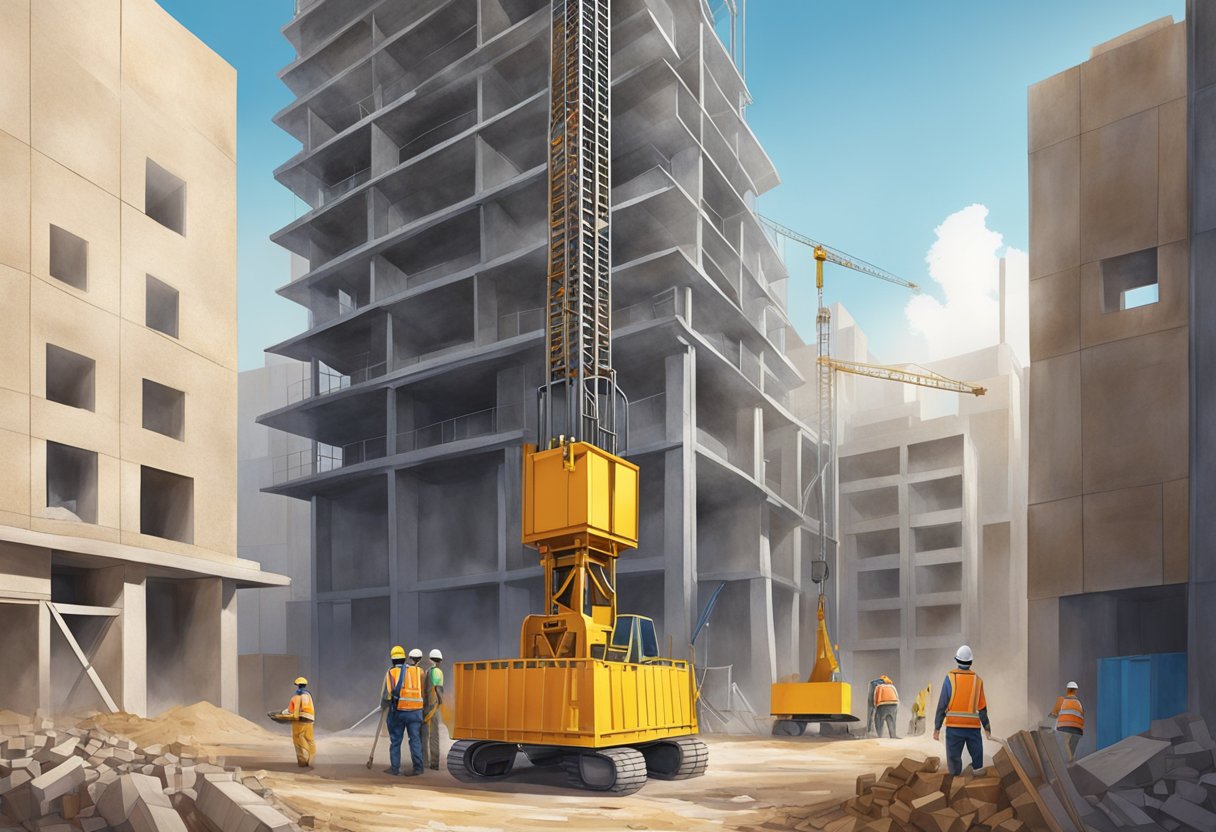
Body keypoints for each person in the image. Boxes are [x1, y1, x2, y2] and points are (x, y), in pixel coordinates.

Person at [933, 645, 991, 776]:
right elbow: (982, 709)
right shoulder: (978, 680)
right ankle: (977, 783)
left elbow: (942, 705)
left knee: (954, 764)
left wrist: (937, 727)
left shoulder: (950, 678)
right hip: (973, 728)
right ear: (971, 662)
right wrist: (987, 728)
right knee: (977, 762)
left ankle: (956, 782)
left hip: (954, 727)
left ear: (957, 660)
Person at [382, 646, 425, 776]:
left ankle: (395, 769)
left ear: (393, 659)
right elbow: (423, 690)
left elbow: (387, 695)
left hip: (399, 712)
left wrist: (384, 706)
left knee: (396, 741)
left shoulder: (391, 672)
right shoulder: (418, 671)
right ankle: (418, 768)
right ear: (405, 658)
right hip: (416, 712)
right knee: (415, 740)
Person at [280, 676, 315, 768]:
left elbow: (292, 712)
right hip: (310, 720)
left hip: (299, 720)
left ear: (297, 685)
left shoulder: (295, 697)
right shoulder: (309, 696)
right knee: (310, 740)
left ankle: (302, 760)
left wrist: (285, 716)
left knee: (297, 738)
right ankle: (311, 760)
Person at [1049, 681, 1085, 762]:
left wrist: (1051, 716)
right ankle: (1072, 765)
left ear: (1067, 690)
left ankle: (1069, 763)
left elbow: (1053, 715)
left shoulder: (1061, 700)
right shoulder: (1079, 703)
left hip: (1065, 728)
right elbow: (1082, 715)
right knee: (1071, 751)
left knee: (1065, 745)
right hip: (1078, 731)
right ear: (1076, 691)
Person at [422, 648, 446, 770]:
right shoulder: (438, 672)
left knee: (423, 736)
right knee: (434, 736)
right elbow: (439, 690)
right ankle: (434, 764)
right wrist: (441, 703)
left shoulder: (425, 672)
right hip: (433, 709)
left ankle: (423, 762)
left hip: (423, 709)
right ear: (439, 661)